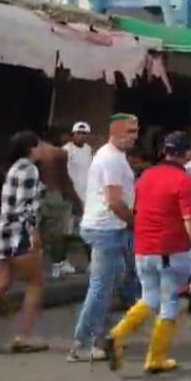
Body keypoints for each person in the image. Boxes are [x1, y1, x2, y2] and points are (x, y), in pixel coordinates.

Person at [102, 132, 191, 373]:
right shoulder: (184, 181)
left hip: (143, 249)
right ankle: (155, 358)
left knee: (149, 297)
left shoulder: (146, 176)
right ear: (187, 154)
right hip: (171, 250)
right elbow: (189, 217)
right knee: (169, 303)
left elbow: (139, 209)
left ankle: (116, 336)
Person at [69, 114, 139, 362]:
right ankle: (82, 343)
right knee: (100, 287)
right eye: (130, 131)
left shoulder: (116, 156)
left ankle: (102, 336)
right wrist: (136, 221)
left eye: (136, 131)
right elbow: (114, 201)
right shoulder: (110, 158)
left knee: (111, 282)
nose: (135, 136)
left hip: (110, 228)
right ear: (116, 131)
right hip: (105, 229)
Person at [0, 131, 51, 356]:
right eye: (40, 145)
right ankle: (22, 337)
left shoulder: (14, 168)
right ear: (32, 149)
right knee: (35, 282)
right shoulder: (29, 170)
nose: (44, 148)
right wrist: (34, 231)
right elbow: (25, 206)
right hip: (18, 233)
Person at [39, 133, 84, 279]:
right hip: (53, 195)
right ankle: (58, 265)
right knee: (57, 233)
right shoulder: (58, 153)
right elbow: (64, 180)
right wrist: (77, 202)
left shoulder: (30, 152)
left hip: (32, 194)